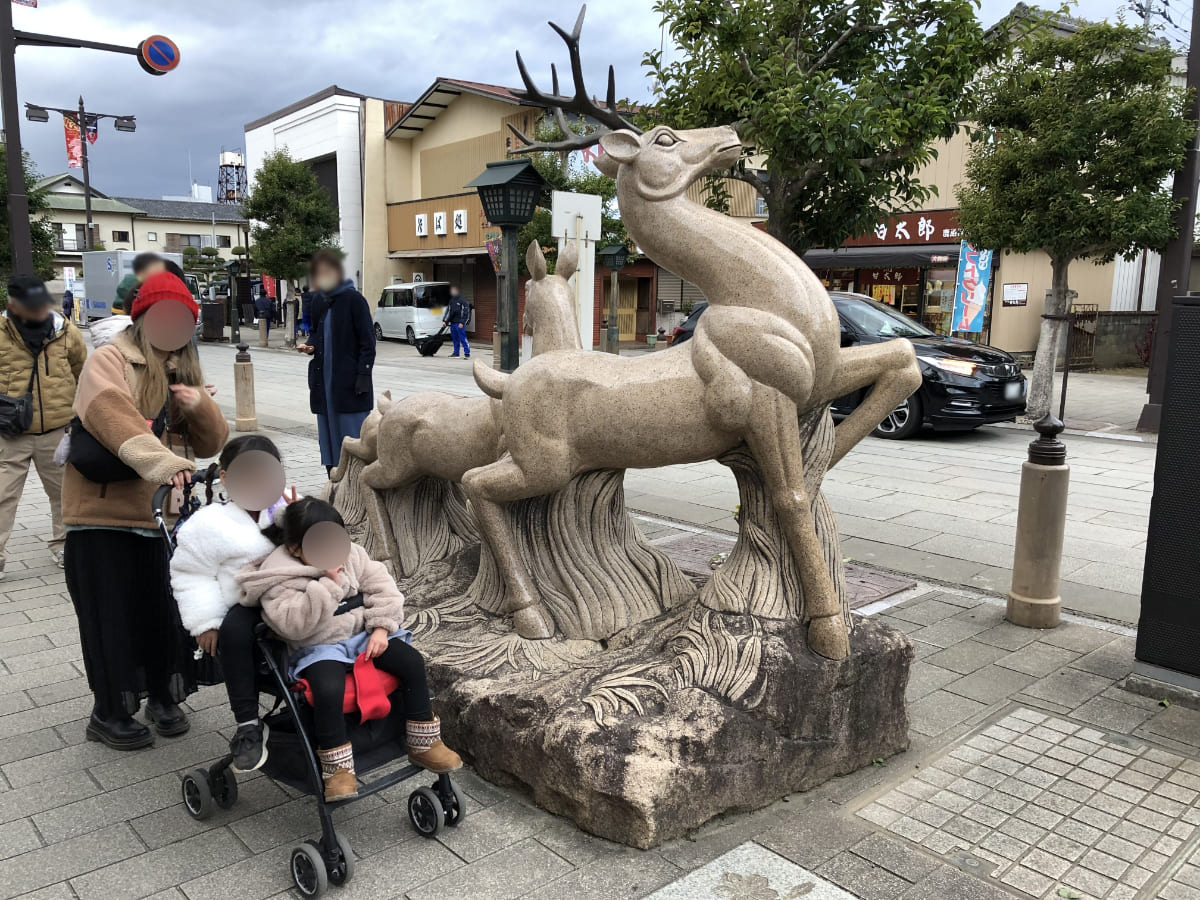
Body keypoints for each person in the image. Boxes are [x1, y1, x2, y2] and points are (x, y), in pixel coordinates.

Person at [63, 270, 229, 750]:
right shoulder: (110, 359)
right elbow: (110, 415)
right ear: (142, 317)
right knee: (110, 616)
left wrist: (199, 406)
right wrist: (166, 463)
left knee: (164, 614)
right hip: (103, 515)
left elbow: (213, 443)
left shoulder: (183, 369)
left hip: (164, 519)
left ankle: (163, 695)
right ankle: (110, 712)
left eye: (184, 319)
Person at [237, 498, 462, 802]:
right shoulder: (278, 574)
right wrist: (329, 584)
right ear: (294, 548)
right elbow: (292, 625)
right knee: (328, 687)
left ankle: (423, 740)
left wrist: (381, 628)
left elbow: (384, 588)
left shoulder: (353, 554)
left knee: (410, 661)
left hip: (361, 634)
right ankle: (337, 769)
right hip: (318, 645)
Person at [171, 435, 294, 772]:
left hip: (292, 595)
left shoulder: (286, 510)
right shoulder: (208, 524)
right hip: (242, 603)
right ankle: (247, 723)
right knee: (235, 631)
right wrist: (206, 622)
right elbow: (191, 575)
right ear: (226, 478)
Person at [0, 276, 87, 577]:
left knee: (64, 492)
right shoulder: (1, 332)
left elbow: (81, 370)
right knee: (3, 494)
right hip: (11, 431)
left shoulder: (65, 331)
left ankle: (63, 546)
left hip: (56, 427)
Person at [295, 251, 375, 475]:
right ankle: (333, 478)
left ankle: (357, 481)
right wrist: (310, 345)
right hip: (324, 381)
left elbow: (368, 343)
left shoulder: (354, 300)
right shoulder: (321, 300)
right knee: (328, 434)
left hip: (349, 382)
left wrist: (363, 375)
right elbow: (316, 332)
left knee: (352, 434)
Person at [443, 285, 471, 359]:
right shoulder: (451, 301)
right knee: (455, 339)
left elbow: (466, 312)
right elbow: (448, 312)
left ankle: (467, 353)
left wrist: (462, 322)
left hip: (459, 324)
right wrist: (445, 321)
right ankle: (456, 353)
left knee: (463, 338)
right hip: (453, 323)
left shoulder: (463, 301)